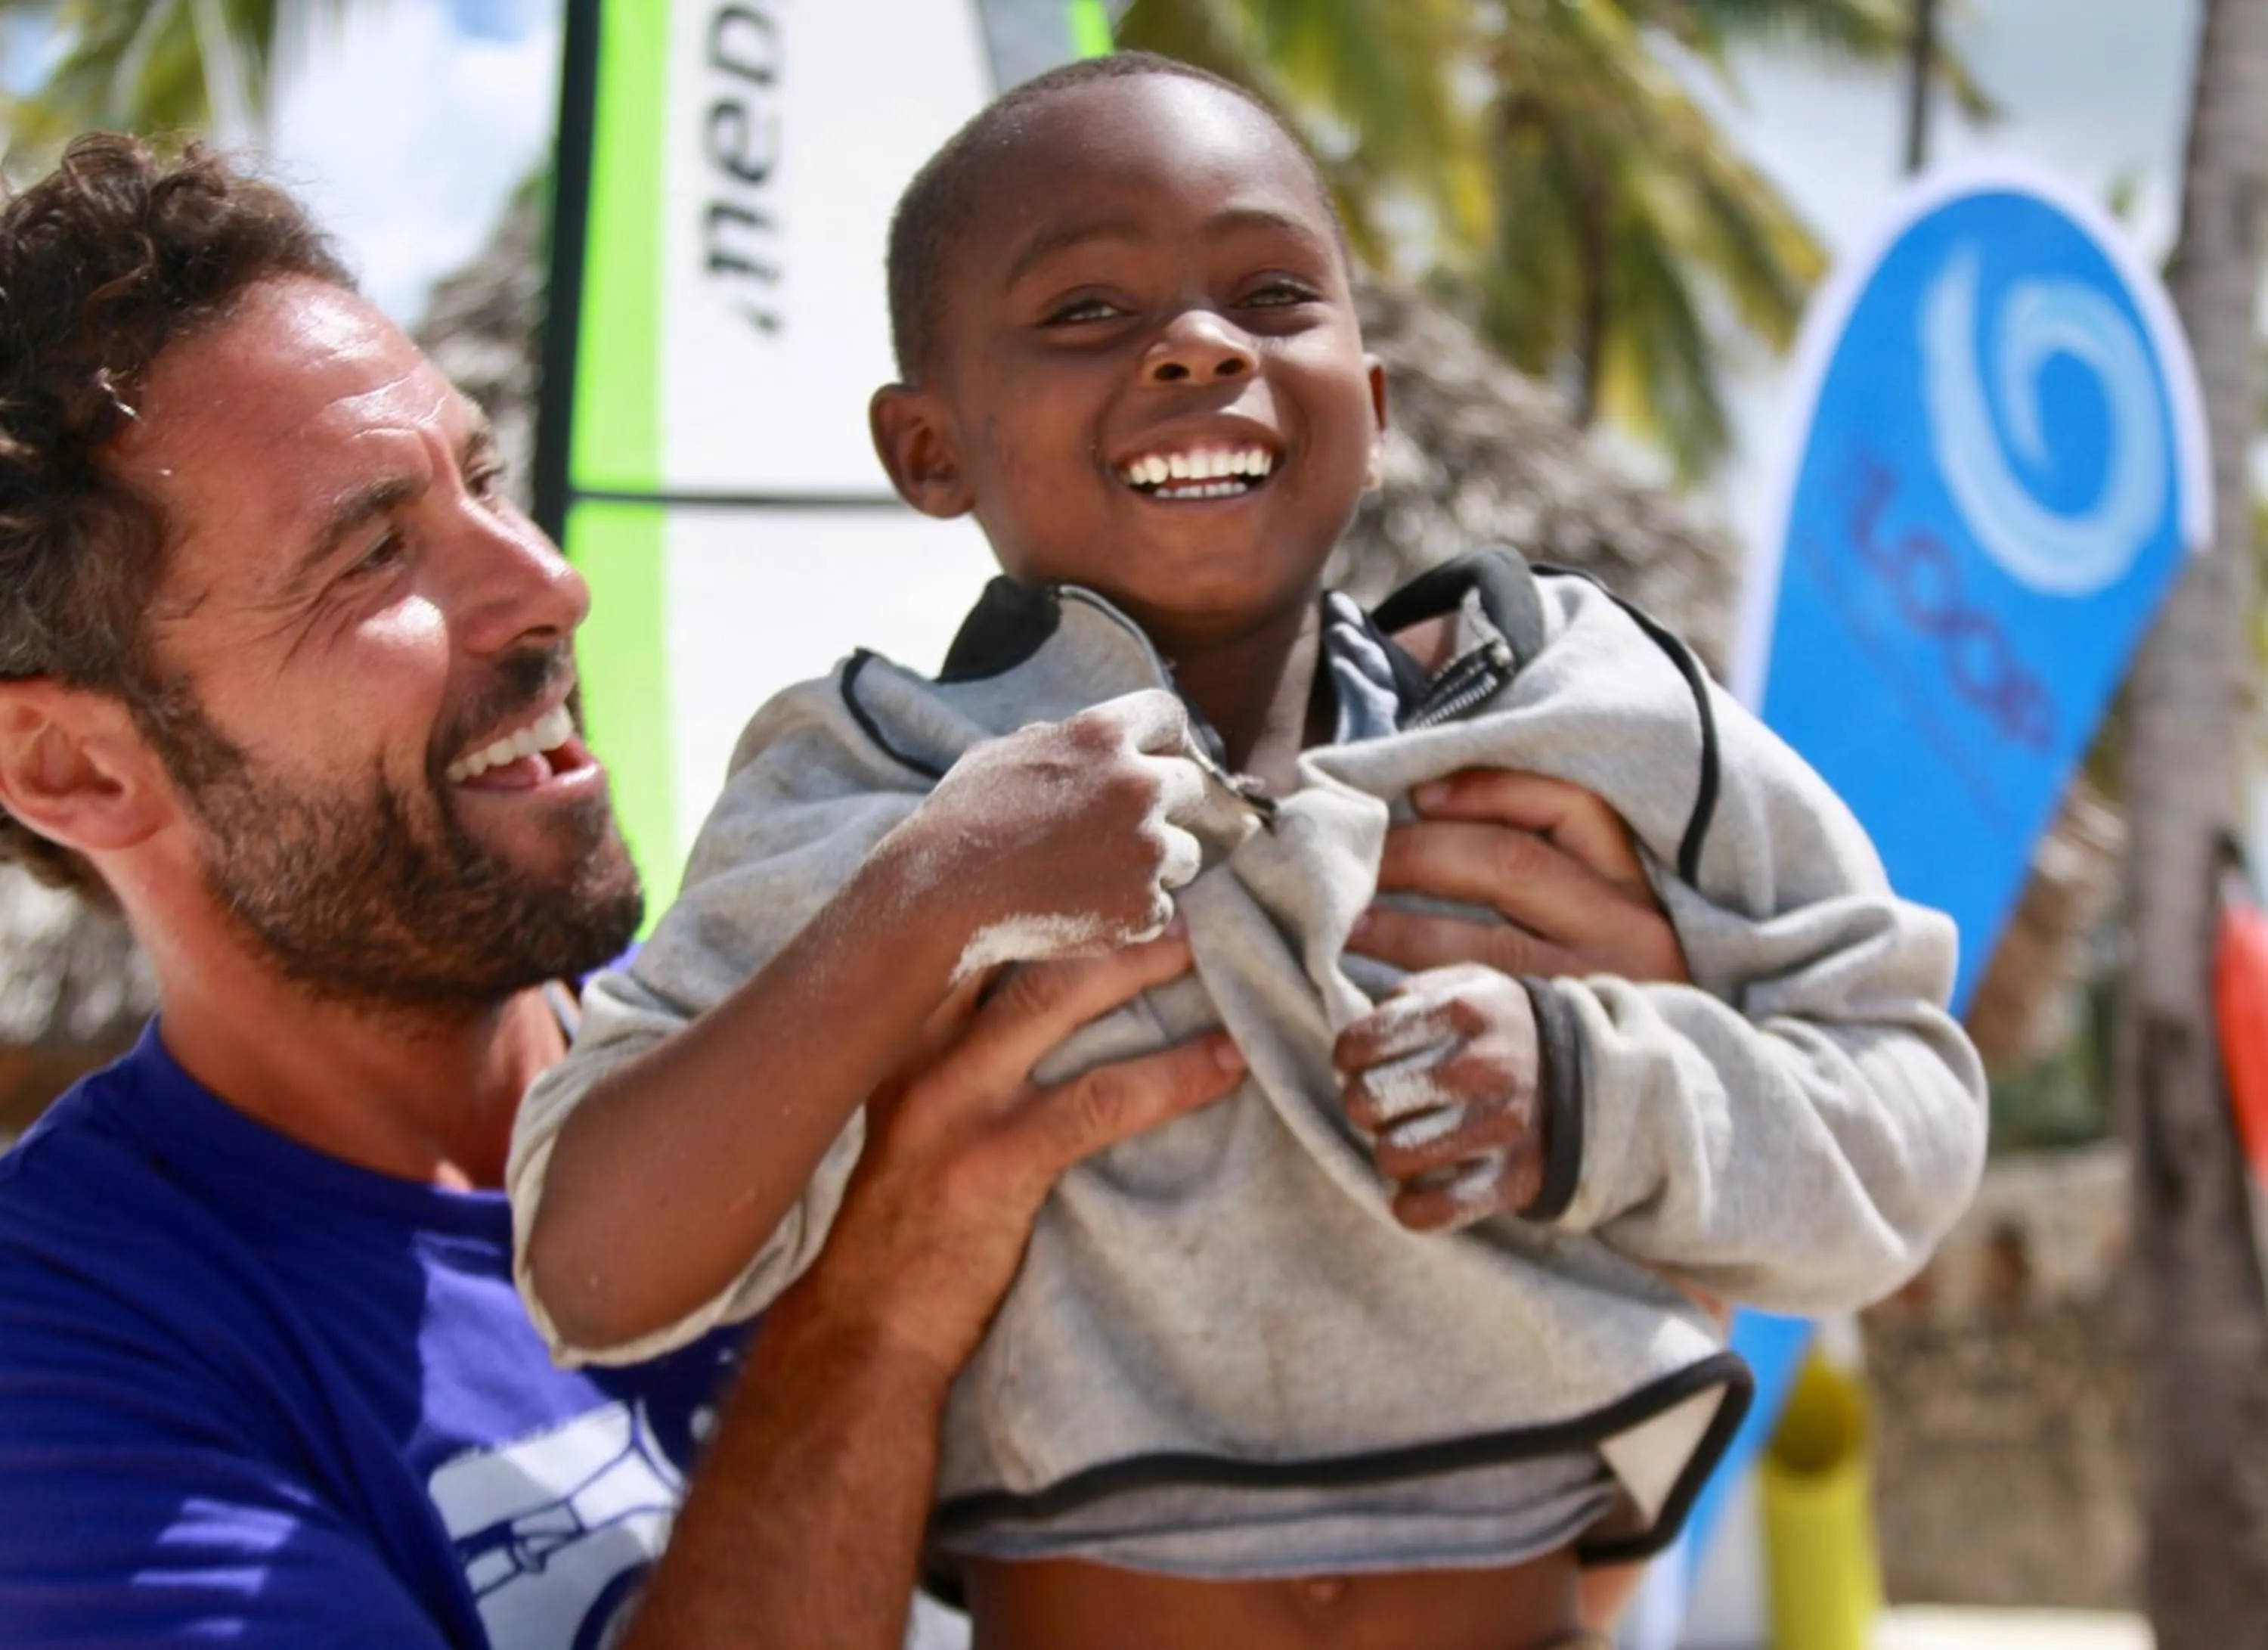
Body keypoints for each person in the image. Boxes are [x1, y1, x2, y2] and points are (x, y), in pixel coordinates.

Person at [0, 133, 1690, 1649]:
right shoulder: (75, 1360)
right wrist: (880, 1303)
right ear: (74, 768)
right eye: (372, 554)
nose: (547, 585)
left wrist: (1614, 1138)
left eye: (483, 483)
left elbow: (1473, 1561)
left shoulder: (903, 995)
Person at [508, 51, 1988, 1650]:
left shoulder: (1586, 704)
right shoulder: (872, 776)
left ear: (1377, 396)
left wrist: (1594, 1087)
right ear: (927, 450)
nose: (1200, 344)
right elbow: (596, 1266)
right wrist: (939, 890)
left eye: (1274, 293)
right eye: (1085, 309)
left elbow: (1908, 1120)